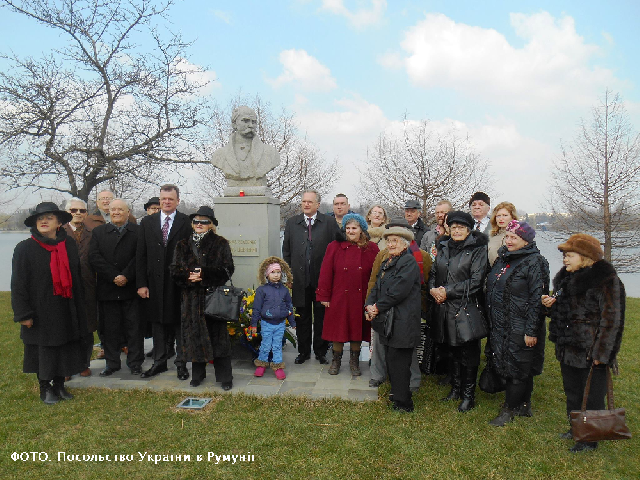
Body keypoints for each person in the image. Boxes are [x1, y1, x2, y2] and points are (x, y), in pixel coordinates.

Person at [542, 234, 625, 453]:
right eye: (564, 256)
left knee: (593, 396)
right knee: (573, 391)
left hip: (591, 351)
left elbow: (612, 321)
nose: (565, 260)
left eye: (569, 256)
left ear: (585, 257)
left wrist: (602, 353)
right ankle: (577, 427)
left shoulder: (606, 281)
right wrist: (550, 305)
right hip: (568, 346)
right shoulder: (566, 279)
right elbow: (563, 312)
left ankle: (590, 439)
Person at [11, 202, 88, 404]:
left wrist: (81, 308)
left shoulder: (69, 245)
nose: (43, 221)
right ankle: (45, 388)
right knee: (45, 349)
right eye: (40, 219)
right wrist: (23, 314)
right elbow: (18, 283)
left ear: (59, 222)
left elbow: (76, 278)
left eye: (49, 218)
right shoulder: (25, 248)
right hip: (40, 310)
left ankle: (60, 385)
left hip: (65, 306)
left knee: (65, 347)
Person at [485, 220, 549, 426]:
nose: (509, 241)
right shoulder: (504, 259)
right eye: (508, 236)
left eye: (515, 237)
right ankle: (524, 405)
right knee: (514, 363)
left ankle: (509, 409)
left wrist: (531, 330)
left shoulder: (535, 262)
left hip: (521, 323)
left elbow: (537, 299)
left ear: (526, 240)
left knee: (518, 365)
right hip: (502, 322)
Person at [429, 210, 489, 412]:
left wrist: (447, 291)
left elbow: (476, 281)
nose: (456, 231)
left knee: (468, 352)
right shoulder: (443, 246)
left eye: (461, 227)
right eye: (453, 227)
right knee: (452, 349)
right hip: (445, 306)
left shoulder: (478, 249)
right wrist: (433, 289)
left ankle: (468, 395)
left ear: (469, 230)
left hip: (467, 307)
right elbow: (434, 271)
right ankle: (455, 388)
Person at [169, 206, 235, 390]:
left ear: (211, 225)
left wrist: (204, 274)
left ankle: (225, 377)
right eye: (196, 221)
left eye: (204, 221)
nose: (199, 224)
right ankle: (197, 375)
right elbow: (174, 270)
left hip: (213, 299)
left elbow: (228, 268)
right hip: (191, 299)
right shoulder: (182, 244)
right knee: (194, 338)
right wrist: (187, 276)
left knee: (219, 340)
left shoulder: (221, 243)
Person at [366, 218, 432, 390]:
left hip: (406, 310)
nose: (392, 242)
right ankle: (379, 374)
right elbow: (374, 281)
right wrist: (370, 305)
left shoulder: (420, 257)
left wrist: (421, 309)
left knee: (405, 347)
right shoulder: (383, 256)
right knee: (380, 344)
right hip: (382, 308)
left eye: (397, 237)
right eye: (390, 238)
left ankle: (412, 381)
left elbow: (422, 284)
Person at [136, 184, 192, 379]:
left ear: (177, 200)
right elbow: (141, 255)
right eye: (163, 199)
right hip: (154, 284)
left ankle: (181, 364)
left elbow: (191, 254)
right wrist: (141, 284)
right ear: (159, 200)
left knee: (179, 327)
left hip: (178, 284)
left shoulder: (186, 223)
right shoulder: (147, 222)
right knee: (158, 325)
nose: (166, 202)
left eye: (170, 199)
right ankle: (159, 362)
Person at [282, 189, 341, 365]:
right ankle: (303, 351)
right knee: (302, 317)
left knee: (322, 316)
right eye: (304, 201)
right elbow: (287, 251)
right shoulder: (292, 223)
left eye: (310, 202)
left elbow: (339, 247)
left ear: (317, 204)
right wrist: (289, 276)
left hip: (322, 280)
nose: (306, 204)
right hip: (300, 280)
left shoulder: (329, 223)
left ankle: (321, 351)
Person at [316, 214, 379, 375]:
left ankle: (354, 361)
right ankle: (336, 360)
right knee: (338, 328)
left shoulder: (372, 248)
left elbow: (376, 275)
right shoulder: (334, 246)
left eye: (354, 228)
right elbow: (325, 272)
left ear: (362, 230)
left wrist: (374, 299)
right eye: (348, 228)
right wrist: (324, 295)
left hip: (361, 296)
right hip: (339, 295)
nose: (351, 231)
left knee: (357, 328)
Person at [89, 199, 144, 376]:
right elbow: (94, 257)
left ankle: (135, 363)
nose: (116, 212)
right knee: (109, 329)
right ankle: (112, 364)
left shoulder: (138, 231)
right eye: (113, 210)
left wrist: (126, 276)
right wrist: (113, 276)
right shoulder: (98, 232)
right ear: (108, 213)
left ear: (128, 212)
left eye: (121, 209)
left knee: (134, 329)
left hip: (131, 288)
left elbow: (140, 256)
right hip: (108, 289)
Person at [211, 105, 280, 196]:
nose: (251, 125)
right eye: (245, 121)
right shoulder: (219, 155)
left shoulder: (271, 153)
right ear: (234, 124)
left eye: (254, 122)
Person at [63, 197, 96, 377]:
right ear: (67, 213)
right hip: (65, 287)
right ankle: (67, 366)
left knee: (87, 326)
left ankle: (84, 363)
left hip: (88, 286)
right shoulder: (59, 233)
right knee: (67, 326)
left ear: (86, 213)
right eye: (73, 210)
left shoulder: (93, 233)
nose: (78, 214)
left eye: (82, 211)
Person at [250, 256, 296, 380]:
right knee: (265, 344)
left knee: (276, 345)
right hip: (266, 323)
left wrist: (292, 322)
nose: (276, 275)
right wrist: (254, 324)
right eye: (273, 272)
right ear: (267, 274)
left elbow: (289, 307)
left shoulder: (284, 290)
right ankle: (262, 364)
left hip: (280, 323)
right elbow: (257, 308)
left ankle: (277, 366)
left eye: (278, 272)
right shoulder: (262, 290)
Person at [487, 202, 519, 266]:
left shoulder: (521, 236)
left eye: (505, 215)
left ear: (513, 217)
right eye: (498, 216)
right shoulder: (491, 237)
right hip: (493, 274)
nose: (501, 219)